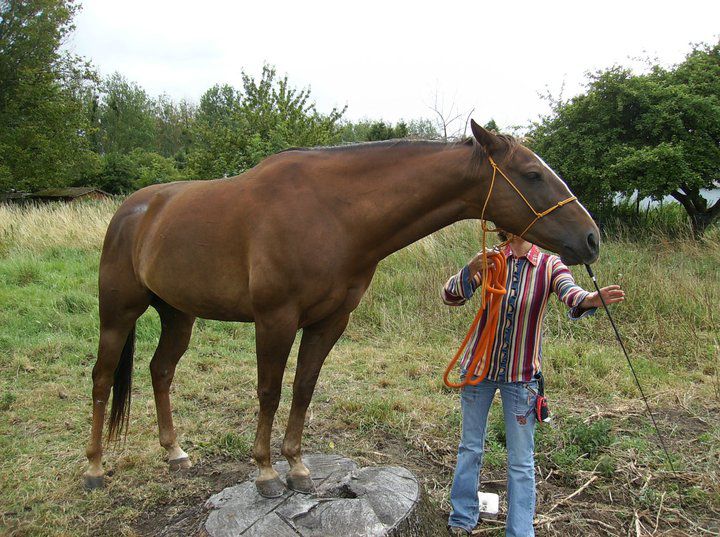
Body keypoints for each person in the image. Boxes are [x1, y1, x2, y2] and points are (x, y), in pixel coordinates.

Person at [443, 231, 624, 537]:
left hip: (521, 377)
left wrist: (590, 300)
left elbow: (570, 292)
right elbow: (451, 297)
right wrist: (470, 268)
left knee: (520, 461)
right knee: (470, 448)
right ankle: (462, 518)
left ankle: (520, 531)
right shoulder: (492, 259)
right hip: (477, 371)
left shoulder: (549, 265)